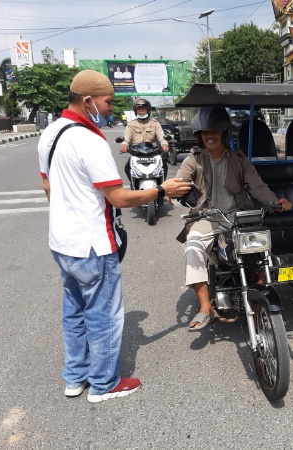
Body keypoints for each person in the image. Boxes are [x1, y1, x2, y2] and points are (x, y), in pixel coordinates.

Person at [37, 70, 191, 403]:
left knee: (74, 311)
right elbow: (119, 198)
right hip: (92, 245)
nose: (111, 109)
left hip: (62, 243)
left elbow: (48, 186)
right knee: (103, 315)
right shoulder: (90, 141)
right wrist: (162, 190)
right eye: (108, 102)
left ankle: (75, 378)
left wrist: (69, 213)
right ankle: (104, 384)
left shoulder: (49, 134)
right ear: (88, 100)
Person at [175, 106, 293, 331]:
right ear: (199, 135)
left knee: (260, 248)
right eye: (204, 132)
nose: (209, 136)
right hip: (207, 217)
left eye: (215, 131)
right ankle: (204, 307)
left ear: (223, 133)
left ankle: (260, 292)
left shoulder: (239, 160)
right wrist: (175, 190)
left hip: (238, 216)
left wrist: (274, 201)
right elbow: (181, 180)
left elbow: (257, 185)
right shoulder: (194, 160)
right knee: (192, 247)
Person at [120, 98, 172, 203]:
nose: (141, 111)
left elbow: (161, 137)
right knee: (127, 167)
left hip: (153, 153)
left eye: (143, 108)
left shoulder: (155, 123)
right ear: (136, 111)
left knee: (164, 166)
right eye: (139, 109)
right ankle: (133, 186)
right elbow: (127, 137)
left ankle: (162, 185)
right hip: (137, 153)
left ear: (148, 110)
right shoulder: (131, 124)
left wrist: (164, 144)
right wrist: (124, 145)